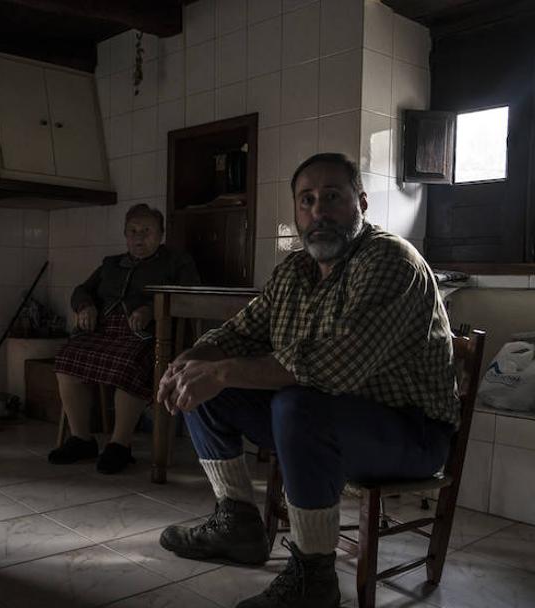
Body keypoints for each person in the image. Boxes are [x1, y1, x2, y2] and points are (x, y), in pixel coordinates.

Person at [155, 153, 457, 608]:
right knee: (208, 386)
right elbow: (240, 333)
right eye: (306, 200)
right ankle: (237, 523)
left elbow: (336, 365)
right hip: (329, 421)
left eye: (332, 197)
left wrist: (220, 369)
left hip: (410, 434)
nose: (318, 212)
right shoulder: (295, 270)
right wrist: (192, 360)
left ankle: (313, 579)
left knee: (296, 403)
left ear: (361, 202)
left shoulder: (390, 261)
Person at [49, 204, 200, 474]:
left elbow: (190, 295)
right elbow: (81, 290)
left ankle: (120, 445)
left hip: (146, 335)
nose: (139, 237)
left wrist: (152, 310)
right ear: (125, 235)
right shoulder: (111, 264)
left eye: (146, 231)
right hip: (103, 332)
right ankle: (81, 438)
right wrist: (85, 306)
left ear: (161, 234)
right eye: (132, 231)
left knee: (128, 363)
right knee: (67, 357)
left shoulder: (177, 261)